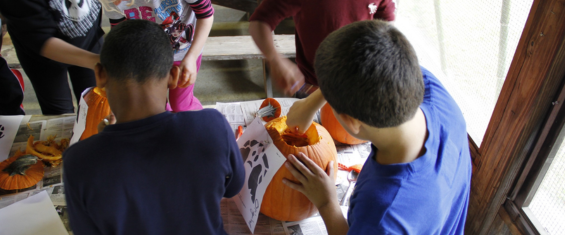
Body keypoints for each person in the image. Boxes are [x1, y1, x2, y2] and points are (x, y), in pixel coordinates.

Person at [283, 20, 472, 234]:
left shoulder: (381, 213)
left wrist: (327, 203)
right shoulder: (437, 95)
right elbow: (371, 69)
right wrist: (309, 105)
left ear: (352, 123)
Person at [63, 20, 245, 234]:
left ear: (100, 75)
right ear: (173, 76)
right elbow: (234, 186)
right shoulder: (213, 127)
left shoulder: (79, 162)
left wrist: (99, 144)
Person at [248, 0, 396, 97]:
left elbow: (386, 23)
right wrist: (275, 60)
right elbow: (260, 21)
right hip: (312, 87)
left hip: (359, 86)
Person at [99, 0, 215, 112]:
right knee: (156, 105)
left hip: (184, 53)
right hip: (147, 59)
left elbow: (206, 15)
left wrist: (192, 57)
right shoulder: (112, 1)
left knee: (181, 105)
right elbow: (121, 35)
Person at [0, 0, 104, 115]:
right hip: (42, 57)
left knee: (96, 105)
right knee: (60, 113)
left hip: (89, 35)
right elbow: (40, 39)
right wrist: (99, 61)